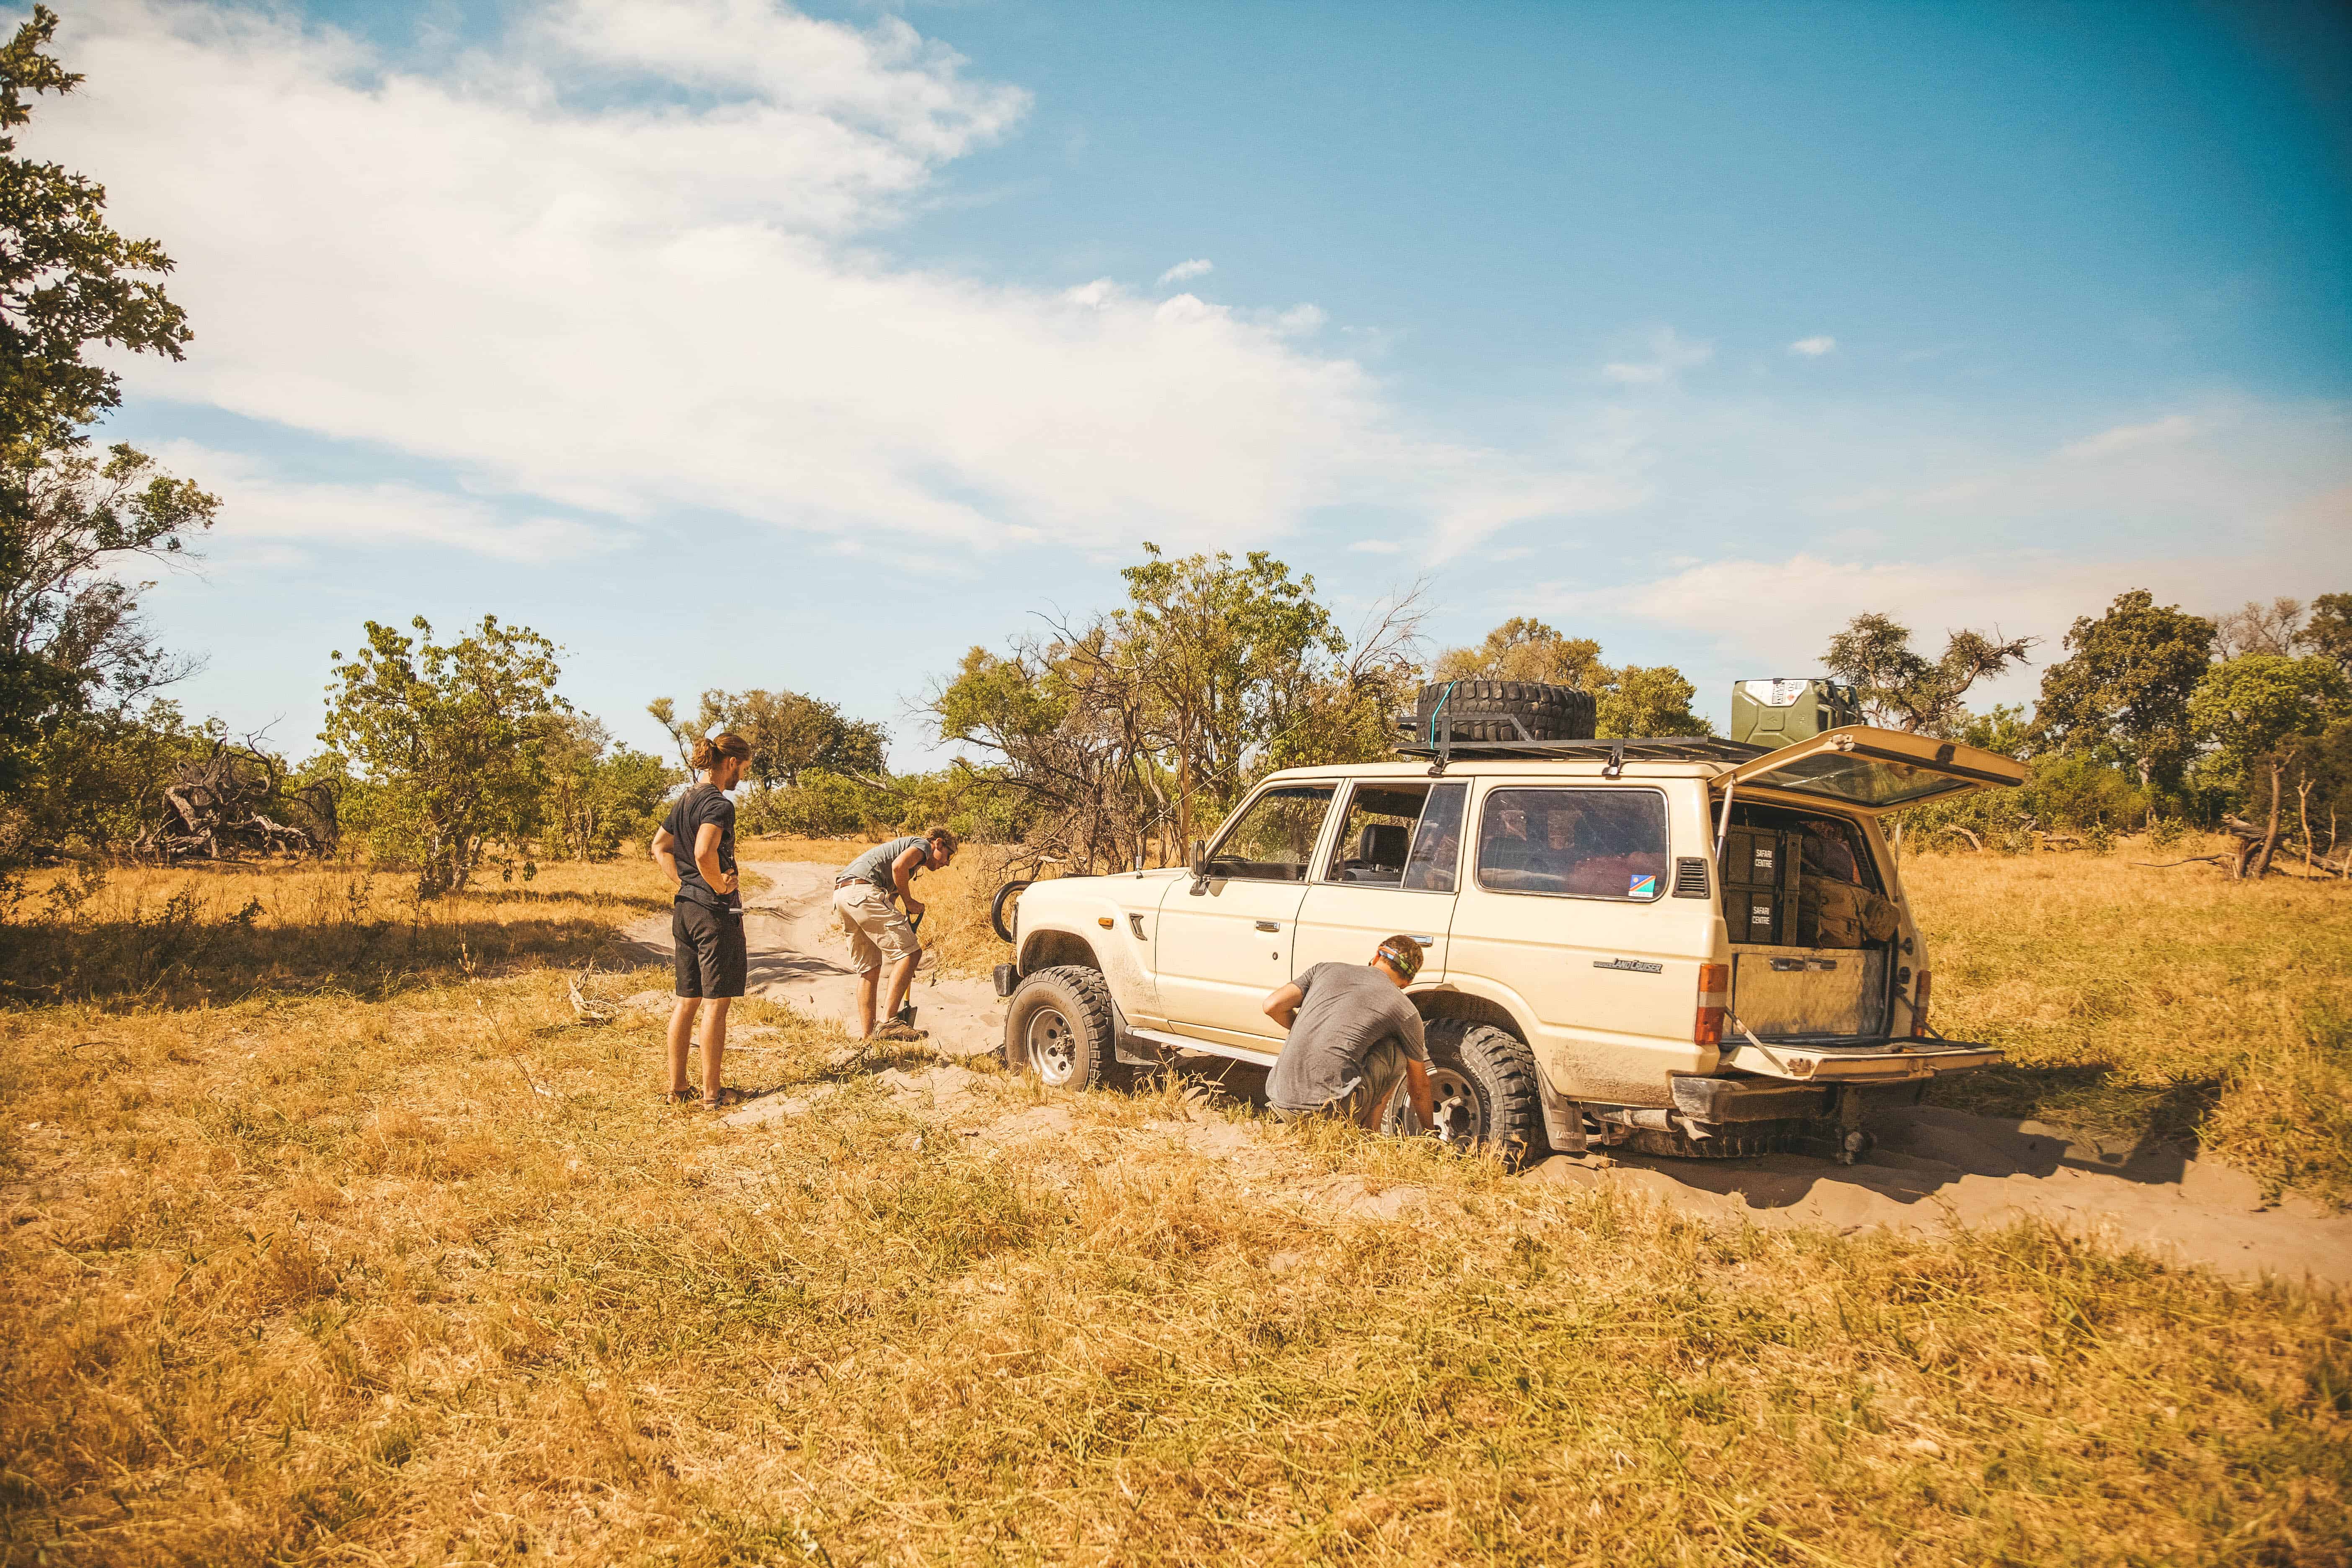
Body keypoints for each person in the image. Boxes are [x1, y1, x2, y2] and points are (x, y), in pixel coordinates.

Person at [651, 731, 751, 1109]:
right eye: (744, 768)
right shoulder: (718, 804)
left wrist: (686, 882)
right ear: (730, 764)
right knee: (716, 1003)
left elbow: (660, 846)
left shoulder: (686, 798)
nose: (743, 775)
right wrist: (718, 886)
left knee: (686, 1000)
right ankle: (713, 1095)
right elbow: (703, 851)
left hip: (685, 909)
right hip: (713, 913)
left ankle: (678, 1088)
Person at [1260, 936, 1437, 1131]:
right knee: (1397, 1050)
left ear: (1378, 954)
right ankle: (1370, 1131)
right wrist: (1430, 1133)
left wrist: (1312, 1029)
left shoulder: (1324, 969)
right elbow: (1419, 1087)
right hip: (1328, 1113)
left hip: (1280, 1104)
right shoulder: (1405, 1010)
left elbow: (1272, 1006)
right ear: (1407, 983)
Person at [833, 826, 958, 1041]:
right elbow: (898, 867)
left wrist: (905, 969)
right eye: (949, 855)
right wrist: (910, 902)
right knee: (911, 954)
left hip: (844, 895)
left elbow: (890, 900)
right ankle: (888, 1022)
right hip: (863, 892)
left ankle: (867, 1038)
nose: (947, 863)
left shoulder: (912, 861)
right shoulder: (922, 846)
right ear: (938, 843)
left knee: (870, 969)